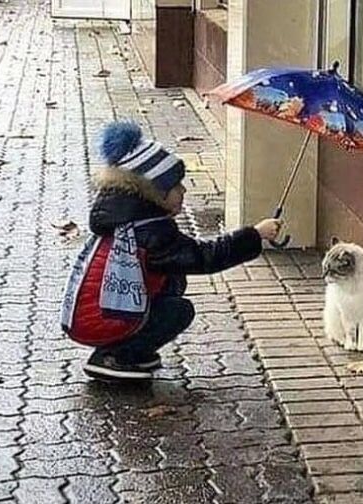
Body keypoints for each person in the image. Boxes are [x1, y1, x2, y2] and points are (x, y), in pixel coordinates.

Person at [66, 120, 281, 380]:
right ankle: (116, 356)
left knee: (172, 279)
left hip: (90, 316)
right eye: (176, 186)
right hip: (99, 320)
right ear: (156, 192)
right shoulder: (151, 232)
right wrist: (255, 235)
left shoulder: (127, 221)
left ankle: (127, 348)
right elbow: (204, 257)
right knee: (178, 310)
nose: (184, 190)